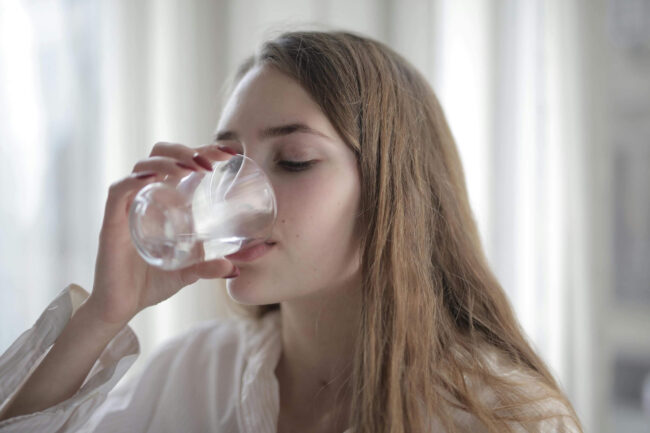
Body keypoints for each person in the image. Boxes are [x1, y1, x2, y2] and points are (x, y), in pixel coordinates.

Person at [0, 30, 583, 433]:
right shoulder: (195, 374)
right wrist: (103, 315)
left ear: (391, 191)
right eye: (226, 162)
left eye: (295, 159)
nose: (233, 193)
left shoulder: (504, 417)